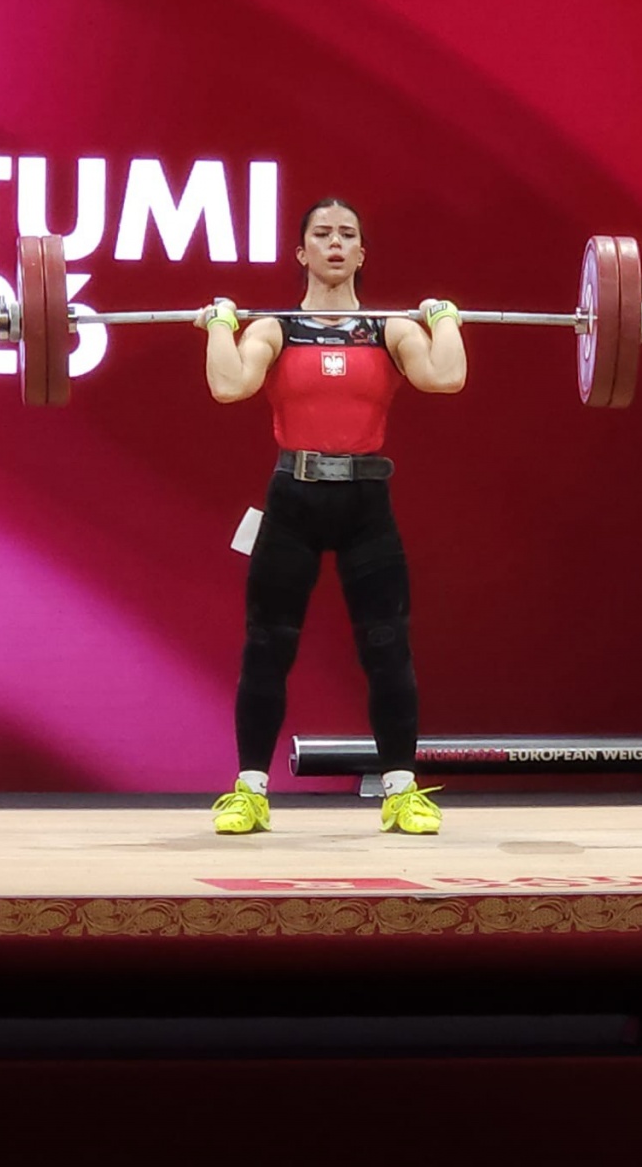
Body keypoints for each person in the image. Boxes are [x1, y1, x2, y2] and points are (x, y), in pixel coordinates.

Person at [195, 198, 466, 836]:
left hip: (365, 503)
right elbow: (230, 385)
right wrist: (219, 326)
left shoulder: (389, 328)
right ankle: (249, 792)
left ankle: (401, 792)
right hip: (293, 499)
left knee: (386, 646)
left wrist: (444, 319)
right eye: (323, 234)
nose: (336, 243)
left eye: (348, 234)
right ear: (303, 251)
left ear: (362, 253)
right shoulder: (276, 328)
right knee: (267, 645)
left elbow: (445, 376)